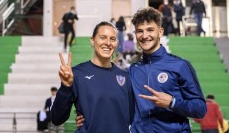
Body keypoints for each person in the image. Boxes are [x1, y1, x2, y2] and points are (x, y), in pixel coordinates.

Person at [76, 7, 207, 132]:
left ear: (160, 32)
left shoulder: (180, 65)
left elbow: (200, 109)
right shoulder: (132, 70)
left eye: (150, 30)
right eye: (140, 31)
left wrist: (172, 102)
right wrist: (87, 117)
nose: (145, 35)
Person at [51, 21, 134, 133]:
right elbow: (56, 118)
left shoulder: (125, 77)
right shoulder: (77, 74)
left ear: (117, 43)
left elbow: (132, 117)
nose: (108, 43)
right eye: (103, 37)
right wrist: (65, 87)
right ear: (92, 40)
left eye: (112, 39)